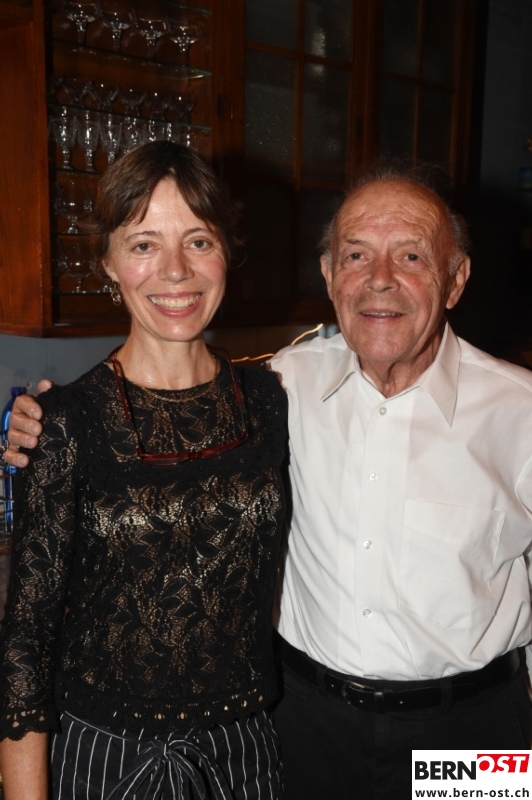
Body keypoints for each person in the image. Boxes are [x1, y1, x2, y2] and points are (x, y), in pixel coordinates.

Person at [5, 163, 532, 799]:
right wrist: (47, 419)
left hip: (470, 731)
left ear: (456, 278)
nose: (380, 279)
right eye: (356, 255)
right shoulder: (286, 383)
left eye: (412, 255)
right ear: (329, 275)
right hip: (305, 727)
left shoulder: (521, 412)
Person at [0, 141, 288, 800]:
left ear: (227, 250)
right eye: (143, 245)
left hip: (244, 750)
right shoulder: (63, 421)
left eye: (198, 241)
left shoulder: (269, 401)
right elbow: (25, 644)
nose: (175, 271)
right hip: (105, 755)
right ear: (108, 263)